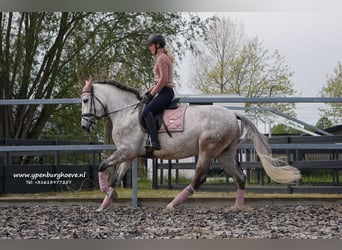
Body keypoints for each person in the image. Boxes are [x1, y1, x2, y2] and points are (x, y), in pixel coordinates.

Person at [141, 34, 175, 150]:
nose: (149, 48)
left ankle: (155, 141)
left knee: (146, 112)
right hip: (162, 91)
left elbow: (163, 80)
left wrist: (152, 94)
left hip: (166, 92)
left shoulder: (162, 58)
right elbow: (158, 81)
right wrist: (148, 92)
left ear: (158, 45)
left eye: (151, 45)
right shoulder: (161, 58)